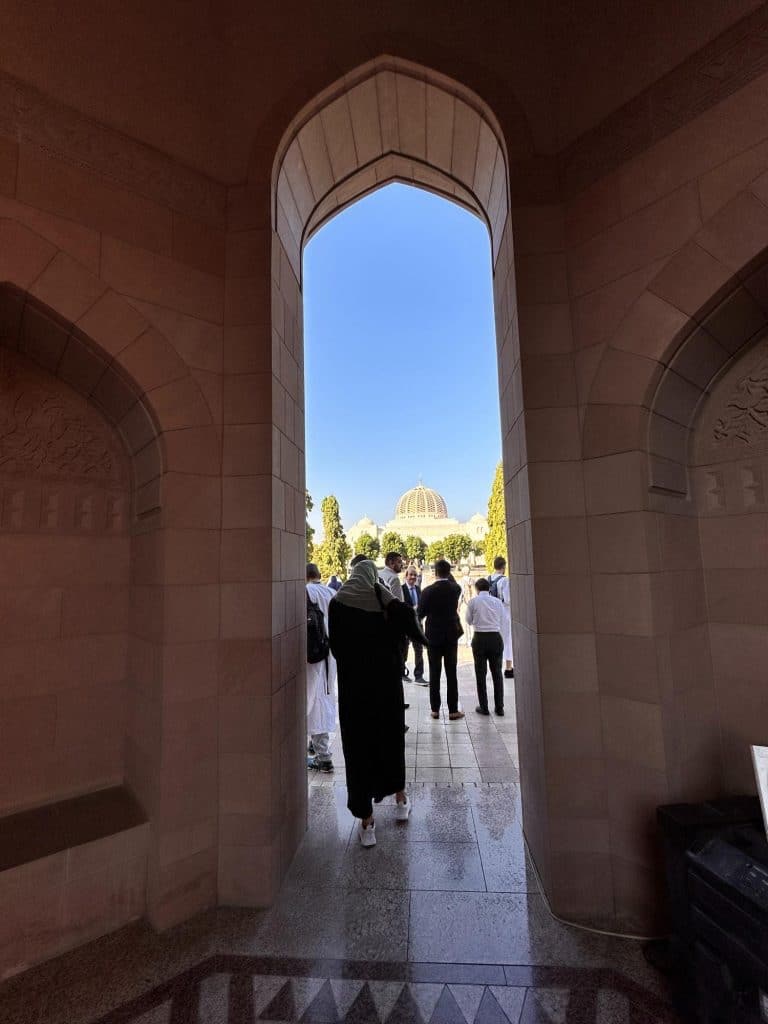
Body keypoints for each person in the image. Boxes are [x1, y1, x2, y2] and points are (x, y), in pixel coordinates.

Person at [329, 559, 427, 847]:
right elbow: (406, 636)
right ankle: (400, 800)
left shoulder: (338, 603)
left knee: (359, 750)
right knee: (390, 741)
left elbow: (337, 648)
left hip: (354, 691)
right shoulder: (386, 603)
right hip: (385, 689)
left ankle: (367, 821)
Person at [418, 559, 465, 720]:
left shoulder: (427, 592)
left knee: (434, 672)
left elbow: (420, 614)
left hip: (433, 636)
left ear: (435, 572)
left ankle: (435, 709)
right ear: (449, 571)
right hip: (451, 636)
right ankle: (453, 710)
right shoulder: (455, 589)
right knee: (451, 673)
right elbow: (452, 582)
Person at [305, 563, 337, 771]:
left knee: (312, 701)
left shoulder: (306, 591)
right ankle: (318, 747)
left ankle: (323, 755)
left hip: (312, 655)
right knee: (323, 697)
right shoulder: (333, 592)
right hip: (330, 655)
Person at [465, 577, 505, 716]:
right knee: (497, 674)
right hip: (495, 637)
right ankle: (499, 707)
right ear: (489, 588)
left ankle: (484, 706)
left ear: (476, 589)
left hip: (480, 637)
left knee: (480, 674)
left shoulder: (473, 602)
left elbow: (468, 621)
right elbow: (503, 618)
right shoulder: (497, 602)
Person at [489, 556, 514, 678]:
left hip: (492, 614)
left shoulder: (488, 578)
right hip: (505, 613)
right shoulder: (505, 580)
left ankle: (495, 666)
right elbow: (508, 599)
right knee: (507, 641)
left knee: (495, 641)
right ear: (504, 566)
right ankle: (508, 668)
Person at [402, 565, 427, 685]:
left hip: (417, 624)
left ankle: (419, 676)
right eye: (411, 575)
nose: (413, 577)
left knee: (419, 649)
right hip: (406, 624)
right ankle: (402, 673)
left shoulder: (418, 589)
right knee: (404, 649)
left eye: (415, 575)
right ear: (406, 576)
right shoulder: (401, 589)